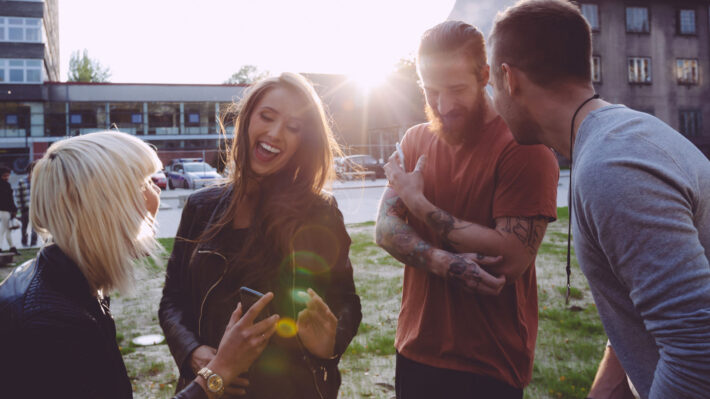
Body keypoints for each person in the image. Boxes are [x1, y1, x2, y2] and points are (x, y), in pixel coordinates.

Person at [487, 0, 710, 397]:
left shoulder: (612, 169)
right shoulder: (619, 138)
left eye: (491, 85)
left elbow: (697, 350)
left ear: (509, 78)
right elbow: (643, 308)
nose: (493, 101)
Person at [0, 131, 280, 399]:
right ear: (101, 208)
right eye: (142, 184)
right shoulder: (51, 327)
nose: (155, 194)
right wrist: (220, 371)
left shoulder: (70, 281)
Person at [375, 21, 559, 398]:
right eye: (431, 91)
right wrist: (443, 262)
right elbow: (385, 230)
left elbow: (509, 258)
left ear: (485, 75)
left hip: (489, 362)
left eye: (456, 90)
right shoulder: (415, 140)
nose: (443, 106)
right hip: (416, 348)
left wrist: (420, 205)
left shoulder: (524, 147)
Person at [159, 72, 362, 399]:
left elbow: (346, 302)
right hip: (212, 388)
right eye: (267, 117)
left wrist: (331, 342)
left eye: (293, 127)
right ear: (247, 119)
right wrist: (191, 352)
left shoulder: (320, 213)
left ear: (303, 141)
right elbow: (172, 299)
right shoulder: (200, 207)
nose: (275, 133)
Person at [14, 161, 38, 248]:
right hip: (25, 208)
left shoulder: (38, 182)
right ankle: (24, 242)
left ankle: (33, 243)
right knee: (24, 226)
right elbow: (18, 196)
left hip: (36, 209)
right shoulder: (22, 181)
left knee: (35, 227)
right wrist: (20, 208)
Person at [0, 166, 19, 255]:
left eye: (8, 175)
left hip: (4, 210)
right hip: (5, 210)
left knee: (5, 229)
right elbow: (9, 200)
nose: (7, 177)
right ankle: (11, 247)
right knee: (5, 229)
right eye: (5, 176)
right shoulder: (6, 185)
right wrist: (14, 209)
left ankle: (12, 247)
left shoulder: (5, 185)